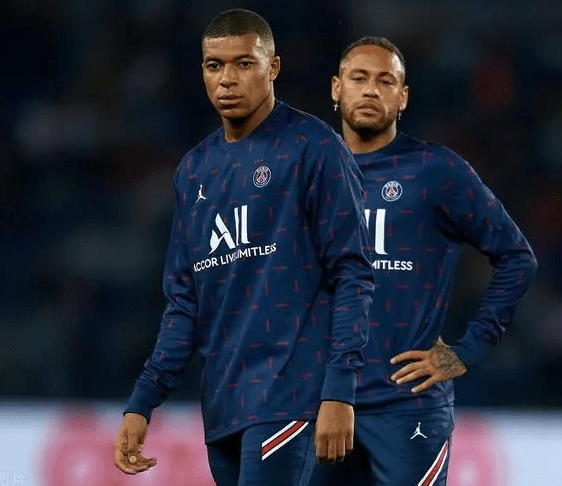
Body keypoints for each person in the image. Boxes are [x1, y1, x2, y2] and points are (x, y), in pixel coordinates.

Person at [113, 10, 375, 486]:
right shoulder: (194, 170)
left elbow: (352, 276)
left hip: (293, 396)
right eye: (215, 65)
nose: (227, 79)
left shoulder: (313, 147)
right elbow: (185, 304)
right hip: (223, 408)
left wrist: (340, 390)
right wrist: (143, 402)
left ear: (272, 67)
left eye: (244, 63)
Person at [305, 36, 538, 486]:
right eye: (359, 78)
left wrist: (466, 350)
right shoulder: (307, 173)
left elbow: (517, 258)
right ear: (336, 88)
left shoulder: (435, 170)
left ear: (403, 96)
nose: (371, 90)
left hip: (406, 407)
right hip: (318, 402)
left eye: (385, 81)